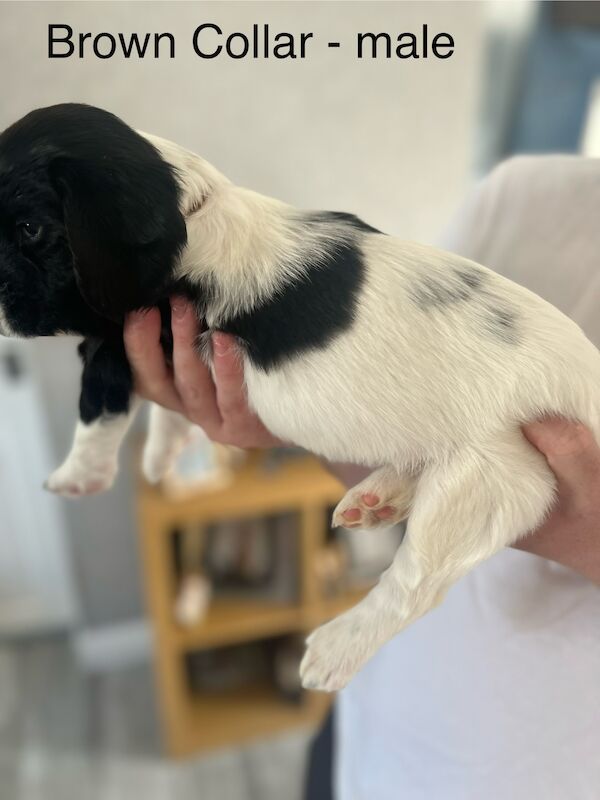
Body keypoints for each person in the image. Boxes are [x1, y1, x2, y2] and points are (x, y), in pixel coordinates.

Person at [124, 155, 600, 799]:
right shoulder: (527, 195)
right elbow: (398, 420)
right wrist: (289, 415)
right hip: (382, 710)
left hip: (535, 765)